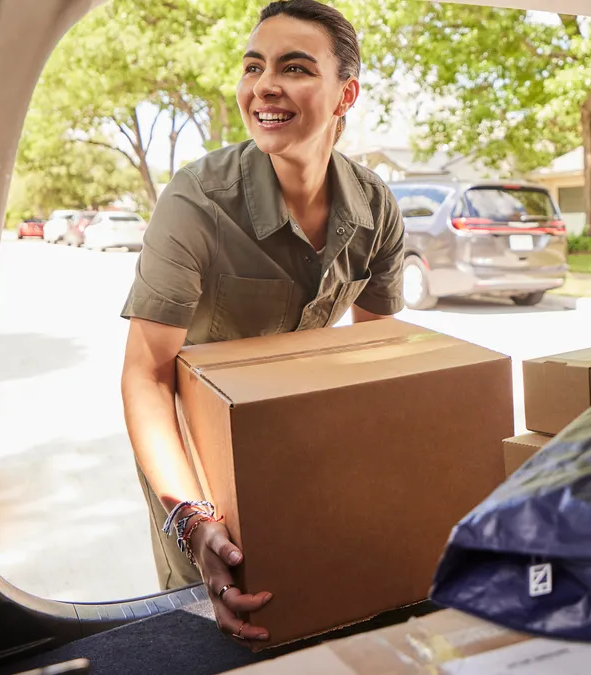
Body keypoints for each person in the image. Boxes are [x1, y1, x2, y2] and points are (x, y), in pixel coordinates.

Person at [119, 0, 404, 651]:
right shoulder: (194, 203)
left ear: (344, 95)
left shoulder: (377, 207)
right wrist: (191, 519)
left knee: (325, 612)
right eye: (254, 67)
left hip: (300, 436)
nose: (264, 85)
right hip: (192, 456)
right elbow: (143, 377)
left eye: (295, 67)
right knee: (218, 628)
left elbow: (380, 354)